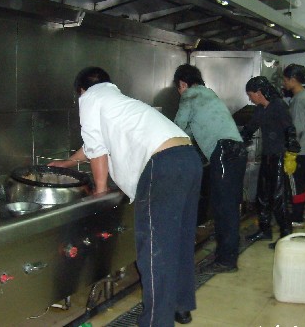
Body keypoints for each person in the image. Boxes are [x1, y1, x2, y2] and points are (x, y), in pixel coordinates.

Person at [49, 67, 202, 327]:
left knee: (155, 251)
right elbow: (93, 144)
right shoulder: (118, 101)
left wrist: (99, 191)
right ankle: (181, 306)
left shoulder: (90, 99)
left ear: (81, 90)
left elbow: (97, 149)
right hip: (187, 158)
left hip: (161, 166)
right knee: (180, 240)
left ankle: (156, 322)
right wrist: (69, 162)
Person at [173, 64, 247, 273]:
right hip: (236, 151)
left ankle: (226, 260)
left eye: (178, 88)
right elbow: (190, 129)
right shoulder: (208, 93)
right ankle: (226, 253)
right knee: (228, 205)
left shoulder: (190, 95)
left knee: (224, 207)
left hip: (224, 153)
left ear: (182, 84)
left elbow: (176, 129)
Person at [241, 76, 300, 249]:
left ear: (259, 93)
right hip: (267, 157)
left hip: (280, 157)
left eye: (250, 95)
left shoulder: (279, 106)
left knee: (279, 198)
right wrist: (238, 141)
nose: (250, 98)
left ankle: (286, 235)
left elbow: (290, 129)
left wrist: (291, 154)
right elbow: (251, 127)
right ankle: (264, 230)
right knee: (263, 196)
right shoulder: (261, 109)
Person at [283, 64, 305, 227]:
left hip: (299, 151)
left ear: (293, 79)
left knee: (296, 184)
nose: (283, 83)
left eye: (285, 80)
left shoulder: (298, 99)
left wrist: (291, 151)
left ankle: (297, 218)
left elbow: (297, 129)